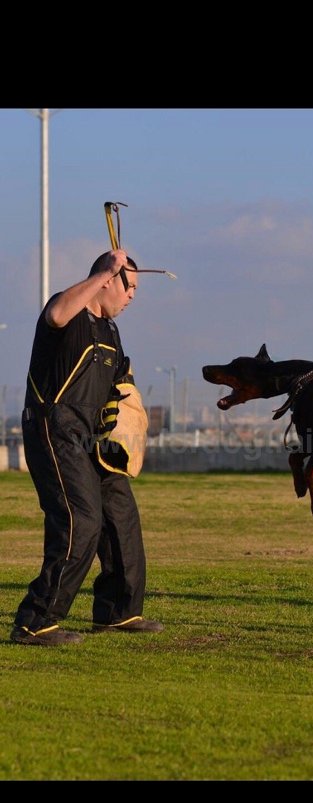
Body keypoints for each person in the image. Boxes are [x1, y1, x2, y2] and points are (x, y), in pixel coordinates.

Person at [11, 249, 164, 645]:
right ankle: (35, 621)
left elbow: (119, 382)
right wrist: (104, 272)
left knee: (121, 519)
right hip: (54, 429)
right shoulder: (68, 312)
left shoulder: (111, 331)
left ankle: (117, 612)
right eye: (129, 286)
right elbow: (57, 313)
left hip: (95, 438)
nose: (132, 296)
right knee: (80, 520)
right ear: (107, 279)